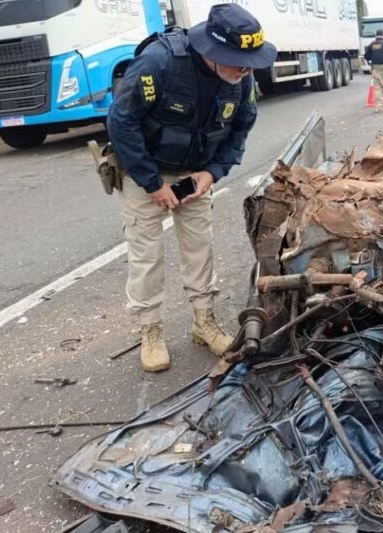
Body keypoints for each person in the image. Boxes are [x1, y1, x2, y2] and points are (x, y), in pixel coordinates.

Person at [107, 4, 276, 372]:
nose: (246, 70)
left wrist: (212, 172)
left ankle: (204, 322)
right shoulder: (159, 63)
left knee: (200, 249)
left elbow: (241, 127)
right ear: (211, 51)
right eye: (238, 62)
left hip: (196, 174)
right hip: (145, 172)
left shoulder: (241, 78)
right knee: (146, 255)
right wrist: (152, 183)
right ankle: (150, 331)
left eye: (250, 63)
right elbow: (121, 122)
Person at [364, 29, 383, 112]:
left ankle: (378, 107)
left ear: (376, 35)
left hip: (375, 69)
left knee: (377, 89)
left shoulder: (372, 44)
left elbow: (366, 56)